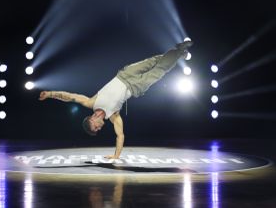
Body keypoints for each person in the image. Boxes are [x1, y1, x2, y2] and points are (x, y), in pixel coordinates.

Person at [39, 40, 193, 159]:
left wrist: (50, 94)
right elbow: (120, 135)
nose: (100, 128)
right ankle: (180, 52)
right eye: (98, 130)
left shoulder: (91, 102)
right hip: (136, 87)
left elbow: (70, 96)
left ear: (91, 120)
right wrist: (116, 155)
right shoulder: (114, 116)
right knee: (160, 70)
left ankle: (178, 51)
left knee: (154, 61)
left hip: (125, 74)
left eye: (96, 128)